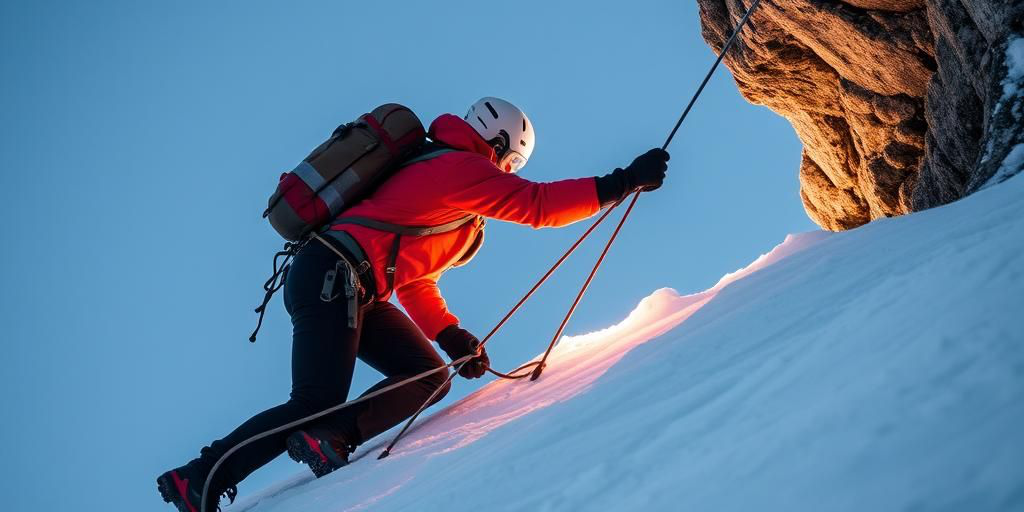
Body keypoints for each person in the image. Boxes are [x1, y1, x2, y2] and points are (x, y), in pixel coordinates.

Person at [157, 97, 670, 511]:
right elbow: (536, 206)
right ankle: (200, 477)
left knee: (428, 374)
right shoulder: (458, 168)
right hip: (335, 275)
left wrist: (450, 335)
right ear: (501, 148)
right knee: (315, 398)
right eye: (511, 162)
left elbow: (415, 281)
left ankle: (329, 436)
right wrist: (621, 183)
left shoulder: (445, 182)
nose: (509, 171)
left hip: (346, 280)